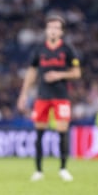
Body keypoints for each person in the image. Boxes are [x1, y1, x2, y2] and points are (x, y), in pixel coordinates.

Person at [17, 14, 81, 182]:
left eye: (56, 28)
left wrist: (59, 74)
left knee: (62, 132)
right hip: (42, 96)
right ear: (46, 30)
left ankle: (63, 168)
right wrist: (23, 94)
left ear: (61, 32)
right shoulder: (39, 49)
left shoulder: (67, 49)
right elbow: (31, 73)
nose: (52, 30)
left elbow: (77, 73)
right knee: (39, 133)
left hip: (61, 97)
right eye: (50, 27)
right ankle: (38, 170)